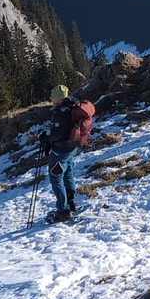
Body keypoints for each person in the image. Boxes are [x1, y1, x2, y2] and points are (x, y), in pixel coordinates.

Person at [44, 83, 96, 221]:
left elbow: (59, 134)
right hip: (71, 148)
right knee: (67, 173)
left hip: (60, 150)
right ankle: (70, 203)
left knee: (56, 178)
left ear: (59, 99)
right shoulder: (72, 106)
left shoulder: (62, 112)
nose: (51, 98)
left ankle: (63, 211)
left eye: (53, 96)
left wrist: (46, 138)